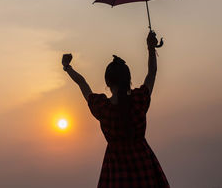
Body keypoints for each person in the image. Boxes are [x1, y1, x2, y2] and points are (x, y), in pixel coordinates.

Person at [62, 31, 170, 188]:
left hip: (116, 170)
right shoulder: (139, 100)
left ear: (107, 81)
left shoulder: (103, 108)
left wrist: (67, 67)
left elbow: (82, 83)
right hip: (144, 164)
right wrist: (151, 47)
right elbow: (152, 73)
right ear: (129, 79)